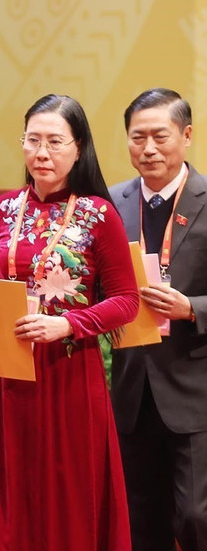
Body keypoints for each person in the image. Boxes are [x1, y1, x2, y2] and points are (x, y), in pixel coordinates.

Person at [0, 94, 138, 551]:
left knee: (68, 494)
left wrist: (66, 325)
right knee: (9, 490)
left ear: (79, 147)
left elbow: (127, 301)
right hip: (10, 375)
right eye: (32, 140)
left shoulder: (99, 214)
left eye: (54, 142)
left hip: (69, 374)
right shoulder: (4, 208)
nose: (41, 153)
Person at [110, 88, 207, 551]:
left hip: (194, 392)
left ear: (186, 136)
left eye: (160, 137)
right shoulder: (109, 204)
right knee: (138, 520)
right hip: (131, 389)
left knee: (193, 517)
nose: (148, 149)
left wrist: (191, 307)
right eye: (137, 137)